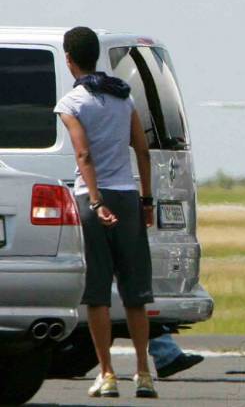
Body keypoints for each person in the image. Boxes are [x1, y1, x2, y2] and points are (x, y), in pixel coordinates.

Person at [55, 26, 158, 399]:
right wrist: (147, 201)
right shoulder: (122, 97)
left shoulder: (71, 104)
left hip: (92, 199)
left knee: (98, 292)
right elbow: (142, 150)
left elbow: (83, 155)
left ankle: (108, 372)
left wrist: (96, 202)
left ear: (69, 59)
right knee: (135, 291)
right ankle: (144, 373)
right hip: (129, 197)